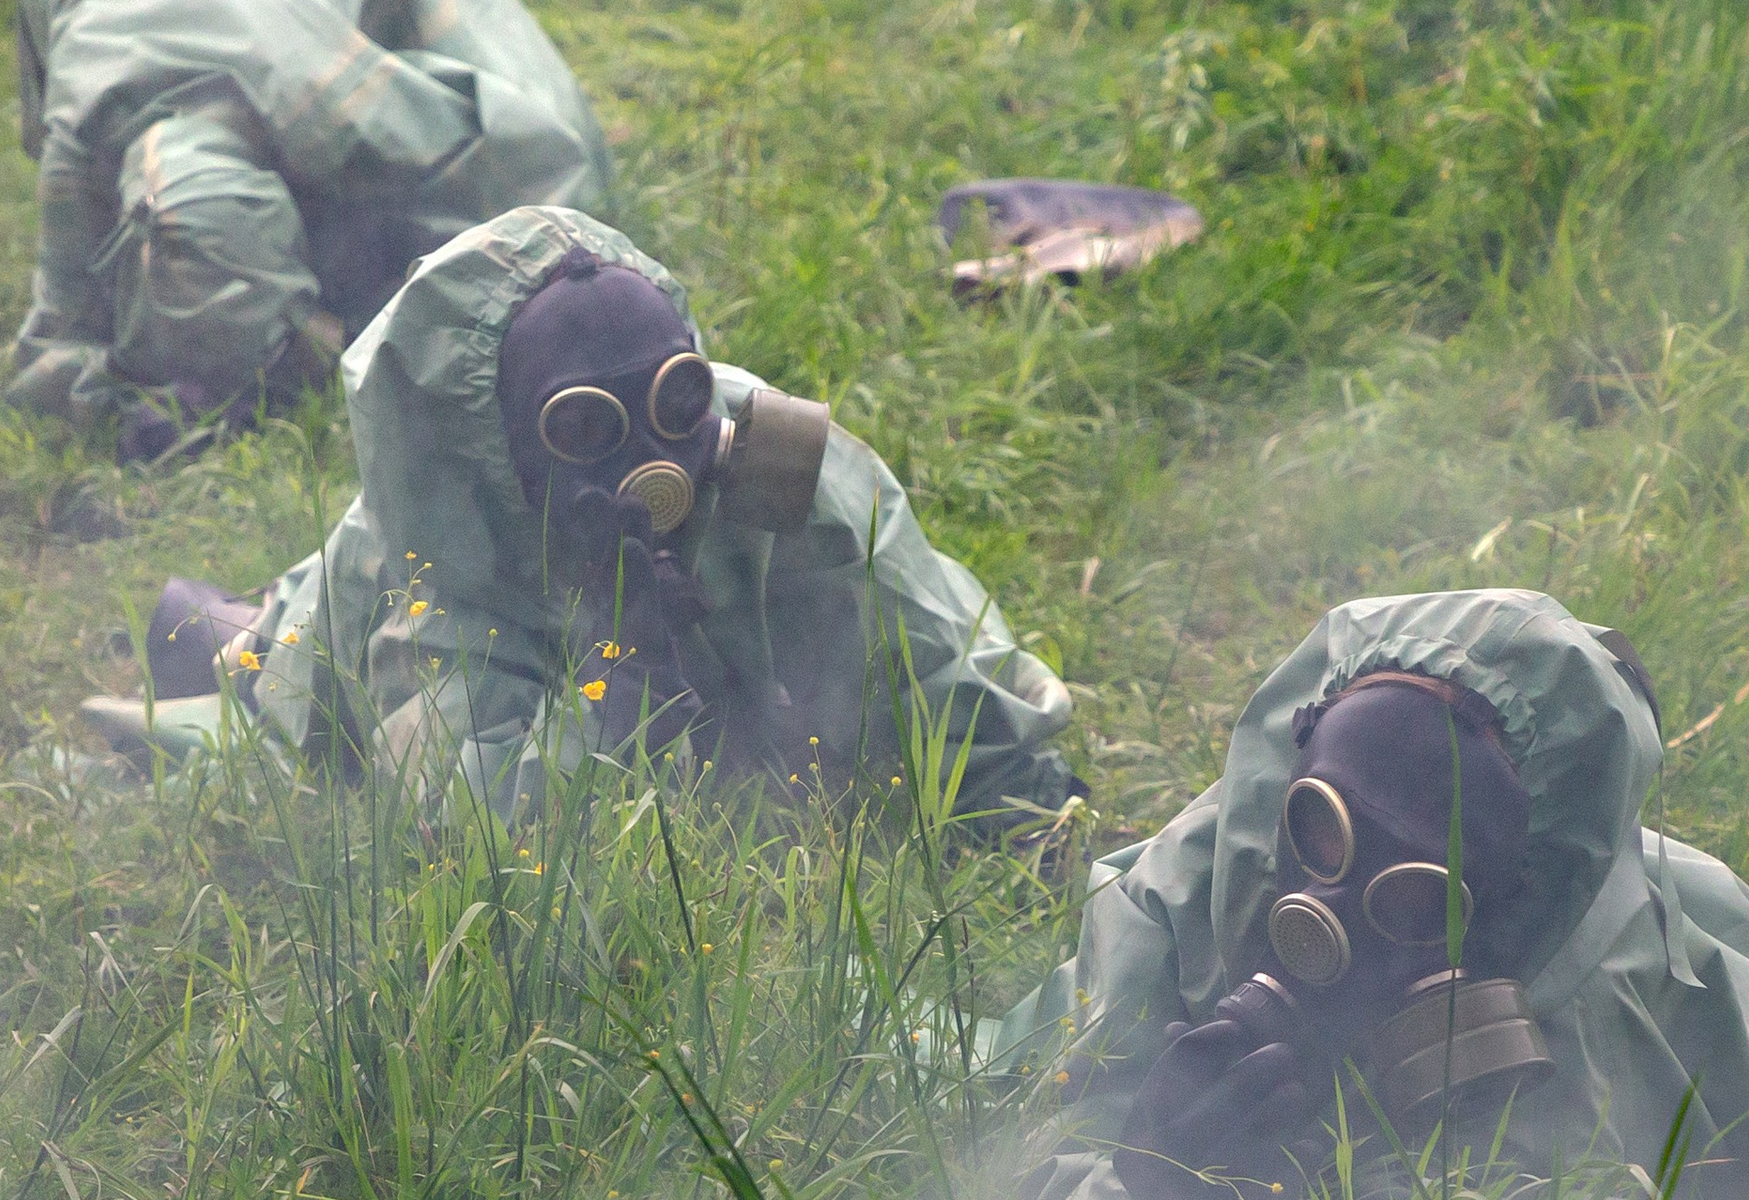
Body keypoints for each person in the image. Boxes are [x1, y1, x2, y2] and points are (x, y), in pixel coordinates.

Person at [86, 204, 1082, 833]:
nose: (654, 460)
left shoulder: (773, 471)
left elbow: (923, 647)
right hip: (335, 619)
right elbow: (463, 831)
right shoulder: (443, 557)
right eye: (583, 427)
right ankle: (222, 621)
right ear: (502, 451)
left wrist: (1027, 809)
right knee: (249, 661)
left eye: (674, 400)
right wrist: (625, 670)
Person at [989, 589, 1749, 1200]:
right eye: (1325, 829)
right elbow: (1030, 1153)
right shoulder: (1193, 885)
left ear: (1511, 904)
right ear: (1290, 778)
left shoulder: (1571, 1019)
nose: (1328, 915)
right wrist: (1144, 1177)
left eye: (1416, 892)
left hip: (1656, 959)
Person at [5, 0, 611, 461]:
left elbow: (540, 162)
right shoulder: (78, 133)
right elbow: (57, 332)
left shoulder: (328, 104)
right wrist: (113, 408)